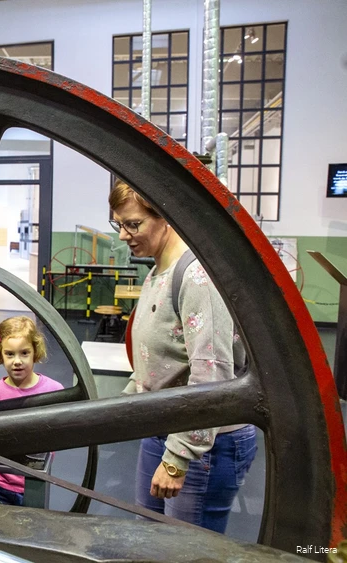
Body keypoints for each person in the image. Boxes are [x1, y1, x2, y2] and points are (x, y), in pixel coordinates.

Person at [109, 179, 257, 533]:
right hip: (163, 426)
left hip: (205, 444)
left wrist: (176, 460)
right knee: (150, 536)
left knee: (186, 548)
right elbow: (158, 363)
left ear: (166, 216)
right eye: (119, 224)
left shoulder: (196, 277)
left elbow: (212, 377)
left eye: (133, 224)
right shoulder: (158, 270)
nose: (123, 236)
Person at [0, 316, 63, 505]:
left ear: (35, 351)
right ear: (0, 354)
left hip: (33, 483)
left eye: (24, 353)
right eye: (10, 354)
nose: (17, 361)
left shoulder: (54, 391)